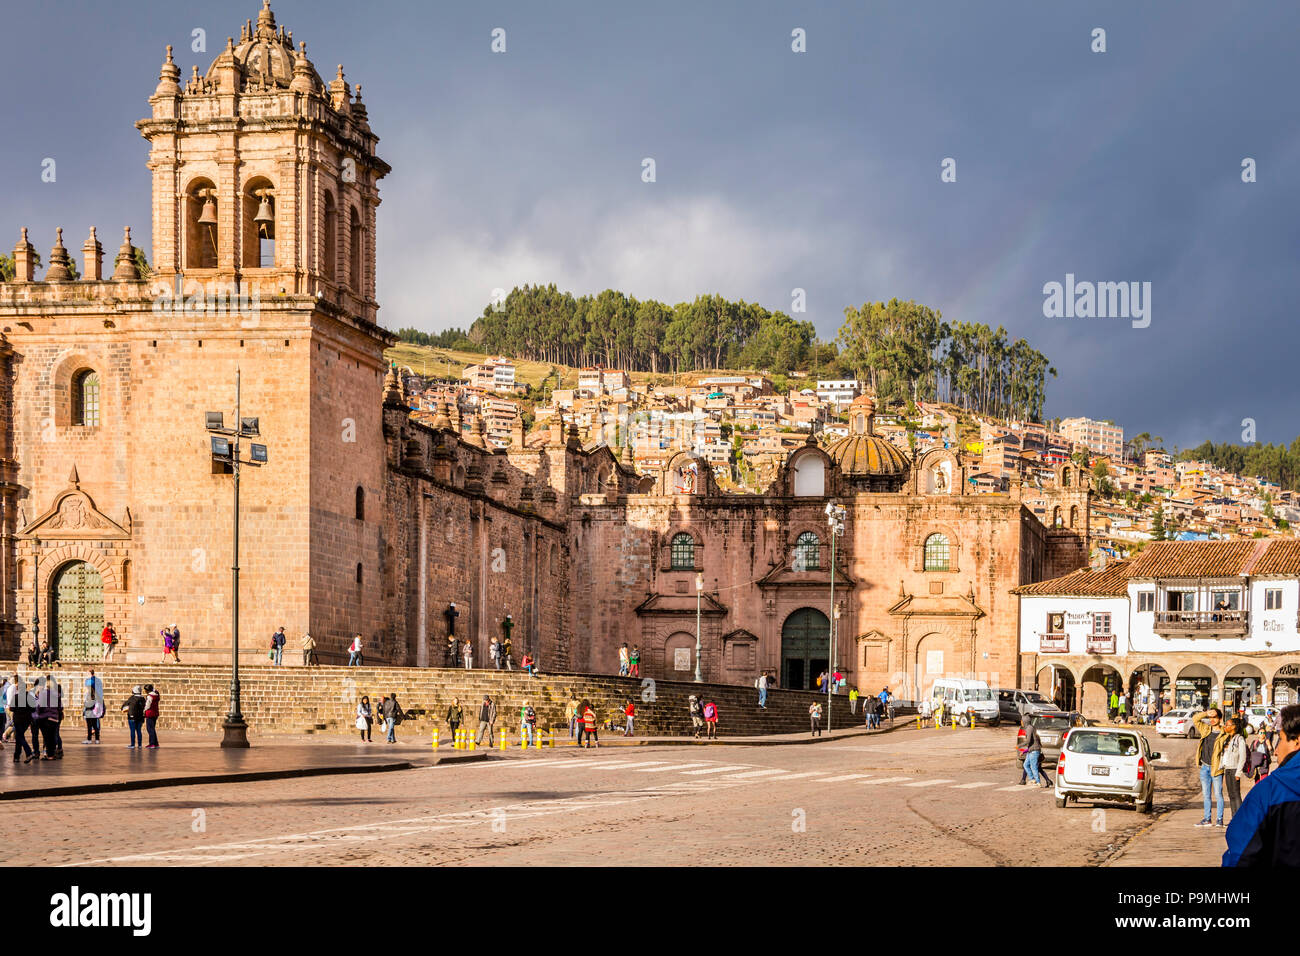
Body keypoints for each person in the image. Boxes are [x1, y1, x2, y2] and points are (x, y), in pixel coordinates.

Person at [1224, 704, 1300, 866]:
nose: (1277, 751)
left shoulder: (1271, 791)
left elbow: (1241, 853)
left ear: (1297, 741)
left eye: (1281, 738)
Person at [1191, 707, 1227, 827]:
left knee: (1218, 794)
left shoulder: (1224, 733)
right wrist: (1206, 713)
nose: (1212, 719)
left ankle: (1219, 820)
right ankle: (1207, 819)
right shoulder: (1206, 729)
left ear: (1220, 719)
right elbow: (1195, 719)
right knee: (1206, 795)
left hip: (1216, 768)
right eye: (1210, 717)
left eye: (1214, 717)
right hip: (1204, 767)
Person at [1221, 717, 1248, 818]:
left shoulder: (1239, 739)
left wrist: (1238, 772)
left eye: (1227, 725)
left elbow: (1243, 757)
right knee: (1230, 795)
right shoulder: (1228, 738)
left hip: (1234, 769)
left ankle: (1240, 817)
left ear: (1234, 727)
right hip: (1227, 769)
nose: (1225, 727)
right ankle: (1234, 817)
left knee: (1236, 794)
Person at [7, 676, 35, 763]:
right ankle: (16, 756)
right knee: (20, 736)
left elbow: (11, 709)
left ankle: (28, 752)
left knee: (19, 736)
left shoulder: (16, 697)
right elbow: (33, 709)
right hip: (27, 720)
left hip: (18, 719)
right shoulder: (29, 697)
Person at [1021, 714, 1051, 788]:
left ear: (1025, 721)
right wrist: (1025, 751)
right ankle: (1032, 779)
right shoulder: (1030, 728)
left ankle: (1038, 782)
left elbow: (1028, 741)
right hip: (1031, 750)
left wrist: (1019, 745)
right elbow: (1032, 742)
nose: (1021, 722)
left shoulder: (1029, 728)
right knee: (1025, 765)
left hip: (1034, 751)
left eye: (1022, 720)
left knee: (1034, 767)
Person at [82, 671, 104, 744]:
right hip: (94, 712)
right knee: (95, 726)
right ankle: (97, 739)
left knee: (89, 726)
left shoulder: (90, 694)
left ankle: (89, 740)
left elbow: (89, 704)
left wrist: (85, 705)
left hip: (90, 712)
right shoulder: (96, 694)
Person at [121, 685, 145, 749]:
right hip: (140, 717)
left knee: (132, 731)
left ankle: (132, 744)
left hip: (132, 717)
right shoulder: (143, 699)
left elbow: (124, 705)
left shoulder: (132, 698)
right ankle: (140, 745)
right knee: (139, 731)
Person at [143, 684, 161, 748]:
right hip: (155, 713)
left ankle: (152, 743)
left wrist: (144, 710)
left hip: (150, 713)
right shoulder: (156, 695)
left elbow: (148, 705)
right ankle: (156, 743)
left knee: (150, 729)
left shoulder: (149, 696)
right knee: (152, 728)